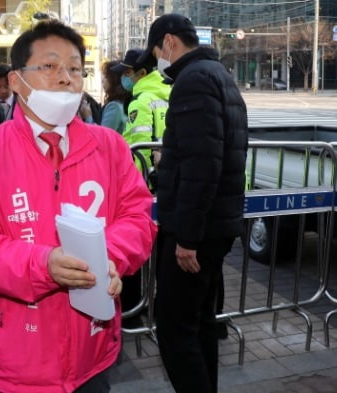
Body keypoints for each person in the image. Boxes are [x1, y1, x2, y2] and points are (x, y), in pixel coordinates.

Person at [0, 20, 156, 393]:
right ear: (15, 81)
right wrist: (43, 265)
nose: (65, 78)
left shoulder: (110, 147)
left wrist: (112, 256)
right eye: (50, 66)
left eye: (75, 68)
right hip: (18, 358)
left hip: (92, 350)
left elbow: (137, 218)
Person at [140, 13, 248, 393]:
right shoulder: (217, 74)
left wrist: (186, 237)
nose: (158, 62)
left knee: (173, 328)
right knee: (199, 321)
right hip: (215, 223)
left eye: (156, 52)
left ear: (169, 43)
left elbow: (202, 165)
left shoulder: (193, 81)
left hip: (196, 231)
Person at [112, 48, 170, 182]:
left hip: (145, 180)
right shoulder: (167, 94)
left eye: (127, 73)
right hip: (162, 174)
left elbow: (141, 149)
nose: (124, 78)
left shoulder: (140, 102)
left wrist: (139, 182)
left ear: (142, 73)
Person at [99, 60, 129, 134]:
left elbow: (103, 136)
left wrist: (88, 117)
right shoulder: (125, 101)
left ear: (115, 80)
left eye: (106, 77)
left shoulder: (114, 106)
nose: (102, 81)